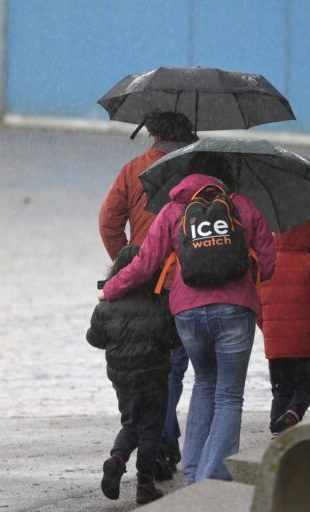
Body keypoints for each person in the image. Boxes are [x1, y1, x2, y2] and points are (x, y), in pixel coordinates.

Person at [99, 172, 276, 484]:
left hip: (187, 312)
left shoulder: (173, 209)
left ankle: (193, 474)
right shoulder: (244, 207)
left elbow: (144, 263)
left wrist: (111, 289)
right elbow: (269, 264)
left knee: (204, 383)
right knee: (229, 395)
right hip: (235, 310)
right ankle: (213, 479)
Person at [98, 110, 197, 477]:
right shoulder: (198, 173)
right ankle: (164, 447)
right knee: (175, 368)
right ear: (188, 132)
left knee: (152, 368)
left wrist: (128, 261)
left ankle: (156, 446)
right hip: (188, 282)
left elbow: (108, 223)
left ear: (152, 132)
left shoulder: (133, 169)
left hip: (144, 281)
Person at [86, 245, 180, 505]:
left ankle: (117, 459)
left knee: (130, 425)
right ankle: (145, 486)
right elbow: (173, 340)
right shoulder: (159, 301)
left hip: (123, 380)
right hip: (153, 378)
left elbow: (93, 339)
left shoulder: (107, 305)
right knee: (150, 430)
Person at [256, 220, 310, 437]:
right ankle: (291, 416)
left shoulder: (266, 264)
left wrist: (270, 331)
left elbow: (257, 305)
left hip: (276, 341)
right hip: (305, 343)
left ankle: (276, 433)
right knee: (306, 388)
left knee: (280, 390)